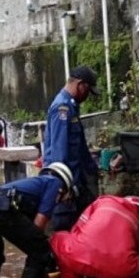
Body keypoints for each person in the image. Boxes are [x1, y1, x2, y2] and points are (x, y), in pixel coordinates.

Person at [49, 195, 139, 278]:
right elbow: (136, 252)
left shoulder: (103, 202)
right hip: (118, 268)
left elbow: (76, 229)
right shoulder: (136, 225)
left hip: (79, 256)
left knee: (58, 238)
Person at [42, 65, 101, 231]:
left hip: (77, 183)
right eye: (88, 91)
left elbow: (79, 147)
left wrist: (93, 169)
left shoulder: (71, 106)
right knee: (63, 233)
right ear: (80, 84)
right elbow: (59, 152)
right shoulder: (62, 108)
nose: (88, 96)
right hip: (65, 186)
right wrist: (62, 186)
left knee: (88, 226)